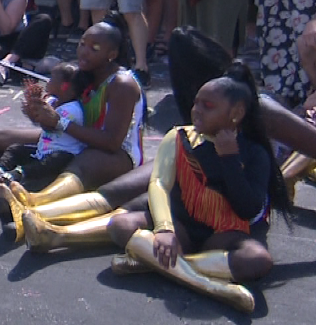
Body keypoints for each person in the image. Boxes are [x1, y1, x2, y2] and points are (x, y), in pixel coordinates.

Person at [15, 26, 316, 250]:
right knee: (121, 189)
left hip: (230, 199)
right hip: (202, 174)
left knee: (141, 205)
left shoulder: (259, 108)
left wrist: (286, 176)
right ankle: (31, 211)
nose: (197, 108)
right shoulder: (200, 106)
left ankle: (55, 232)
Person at [105, 65, 287, 314]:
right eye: (196, 103)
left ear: (236, 113)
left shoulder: (255, 153)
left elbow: (247, 208)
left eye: (207, 106)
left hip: (223, 236)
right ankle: (205, 282)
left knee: (258, 260)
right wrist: (165, 230)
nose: (196, 111)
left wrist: (229, 159)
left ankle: (154, 262)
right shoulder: (180, 137)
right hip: (182, 228)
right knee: (119, 225)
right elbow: (159, 184)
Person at [0, 15, 145, 228]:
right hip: (81, 137)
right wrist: (39, 113)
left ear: (112, 55)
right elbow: (59, 117)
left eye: (94, 48)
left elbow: (112, 142)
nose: (84, 51)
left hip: (117, 154)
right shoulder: (86, 73)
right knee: (6, 137)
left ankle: (35, 204)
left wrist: (59, 123)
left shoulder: (122, 84)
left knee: (83, 162)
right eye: (82, 44)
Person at [0, 62, 84, 185]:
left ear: (64, 86)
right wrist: (31, 106)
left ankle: (20, 173)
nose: (47, 81)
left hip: (61, 155)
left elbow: (49, 126)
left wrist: (37, 108)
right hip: (42, 151)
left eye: (52, 79)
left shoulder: (72, 110)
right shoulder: (52, 101)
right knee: (15, 149)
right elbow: (37, 121)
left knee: (55, 160)